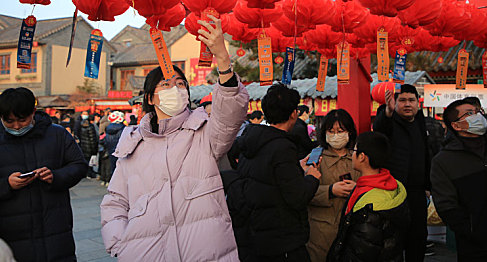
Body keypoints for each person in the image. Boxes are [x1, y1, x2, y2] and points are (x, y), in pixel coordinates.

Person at [100, 14, 249, 261]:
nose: (176, 90)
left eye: (181, 84)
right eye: (166, 85)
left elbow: (230, 113)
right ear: (149, 98)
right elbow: (115, 201)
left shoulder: (204, 133)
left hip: (204, 253)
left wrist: (222, 58)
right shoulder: (133, 145)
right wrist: (121, 244)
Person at [0, 87, 87, 261]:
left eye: (22, 120)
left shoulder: (58, 135)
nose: (17, 126)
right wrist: (6, 184)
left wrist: (55, 176)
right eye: (9, 121)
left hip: (54, 230)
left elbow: (79, 165)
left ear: (33, 112)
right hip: (9, 233)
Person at [226, 83, 321, 262]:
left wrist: (296, 166)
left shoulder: (252, 139)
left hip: (255, 234)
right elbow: (297, 196)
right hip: (280, 240)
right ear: (294, 113)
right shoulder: (282, 147)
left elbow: (267, 176)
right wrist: (311, 178)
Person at [431, 99, 487, 262]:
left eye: (478, 112)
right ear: (456, 125)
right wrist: (472, 230)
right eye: (470, 113)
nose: (477, 116)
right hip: (475, 245)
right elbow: (447, 206)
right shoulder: (444, 161)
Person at [327, 132, 409, 262]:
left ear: (362, 157)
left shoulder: (368, 204)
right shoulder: (392, 186)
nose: (352, 154)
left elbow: (362, 250)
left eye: (354, 150)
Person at [373, 84, 431, 261]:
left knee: (418, 238)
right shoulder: (390, 122)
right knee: (394, 240)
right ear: (395, 103)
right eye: (402, 100)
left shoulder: (421, 122)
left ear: (418, 103)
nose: (407, 104)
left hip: (418, 192)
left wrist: (428, 185)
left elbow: (427, 154)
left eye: (411, 100)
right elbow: (379, 128)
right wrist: (388, 112)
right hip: (393, 191)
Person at [307, 109, 360, 262]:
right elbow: (304, 192)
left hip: (352, 231)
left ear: (349, 132)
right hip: (321, 233)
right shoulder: (315, 157)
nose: (336, 135)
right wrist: (330, 191)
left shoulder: (358, 157)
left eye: (341, 131)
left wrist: (357, 188)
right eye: (331, 131)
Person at [100, 111, 125, 183]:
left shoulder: (108, 128)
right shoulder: (122, 128)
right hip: (120, 150)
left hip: (110, 149)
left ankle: (112, 181)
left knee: (112, 166)